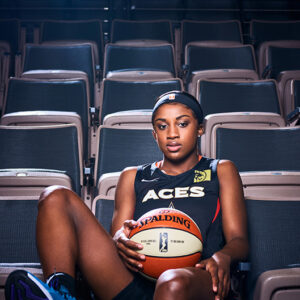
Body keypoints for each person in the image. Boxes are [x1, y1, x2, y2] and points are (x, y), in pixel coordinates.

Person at [5, 91, 248, 300]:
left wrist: (223, 257)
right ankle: (61, 293)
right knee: (55, 195)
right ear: (154, 134)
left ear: (200, 128)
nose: (172, 134)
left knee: (171, 280)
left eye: (182, 124)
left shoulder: (221, 169)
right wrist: (121, 236)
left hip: (197, 281)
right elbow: (118, 235)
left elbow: (240, 240)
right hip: (134, 280)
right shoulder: (133, 176)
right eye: (162, 126)